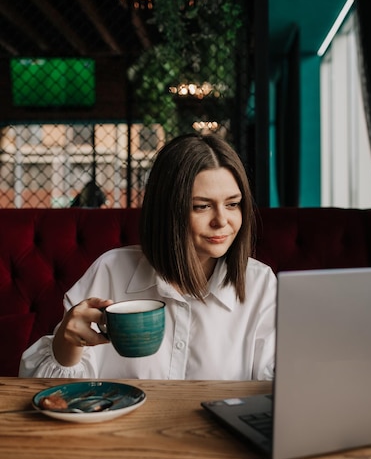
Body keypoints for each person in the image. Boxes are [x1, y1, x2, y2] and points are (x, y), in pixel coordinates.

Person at [19, 133, 277, 380]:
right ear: (167, 210)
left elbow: (272, 389)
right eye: (202, 206)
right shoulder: (111, 270)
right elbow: (51, 393)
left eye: (233, 204)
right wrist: (66, 342)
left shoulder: (260, 283)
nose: (222, 221)